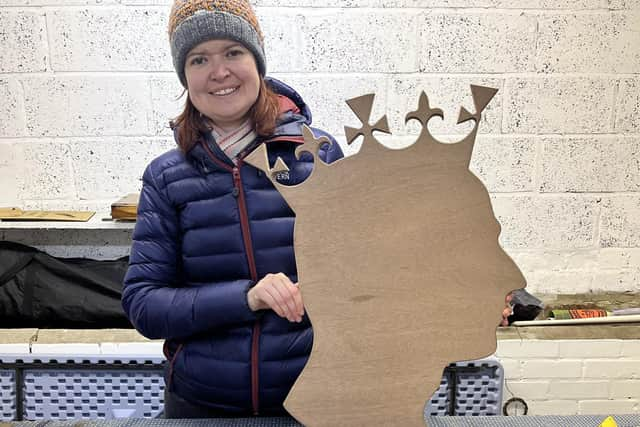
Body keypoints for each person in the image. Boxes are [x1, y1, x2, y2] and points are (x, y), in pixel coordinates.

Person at [121, 0, 343, 418]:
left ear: (256, 61)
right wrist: (247, 297)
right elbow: (144, 305)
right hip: (201, 407)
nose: (219, 72)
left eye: (233, 52)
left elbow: (371, 265)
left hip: (313, 402)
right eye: (199, 58)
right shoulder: (166, 177)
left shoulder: (318, 154)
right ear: (184, 75)